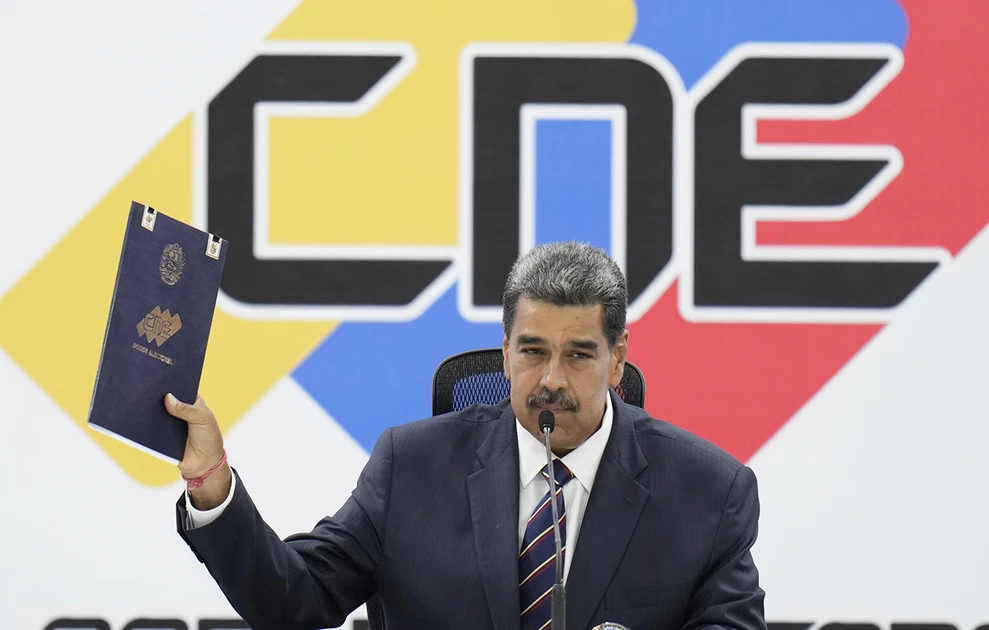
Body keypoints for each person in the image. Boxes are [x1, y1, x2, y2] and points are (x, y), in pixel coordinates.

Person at [170, 241, 766, 630]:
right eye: (532, 351)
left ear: (618, 361)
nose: (552, 380)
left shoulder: (708, 492)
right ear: (505, 353)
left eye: (579, 355)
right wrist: (211, 484)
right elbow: (293, 599)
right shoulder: (410, 467)